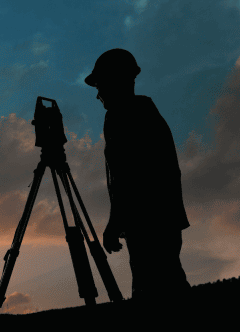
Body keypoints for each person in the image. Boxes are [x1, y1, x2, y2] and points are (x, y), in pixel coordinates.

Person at [84, 48, 191, 305]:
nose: (98, 95)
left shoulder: (123, 118)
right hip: (161, 219)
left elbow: (128, 178)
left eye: (101, 85)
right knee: (169, 284)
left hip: (149, 221)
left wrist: (114, 223)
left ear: (116, 81)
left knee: (155, 290)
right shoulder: (144, 112)